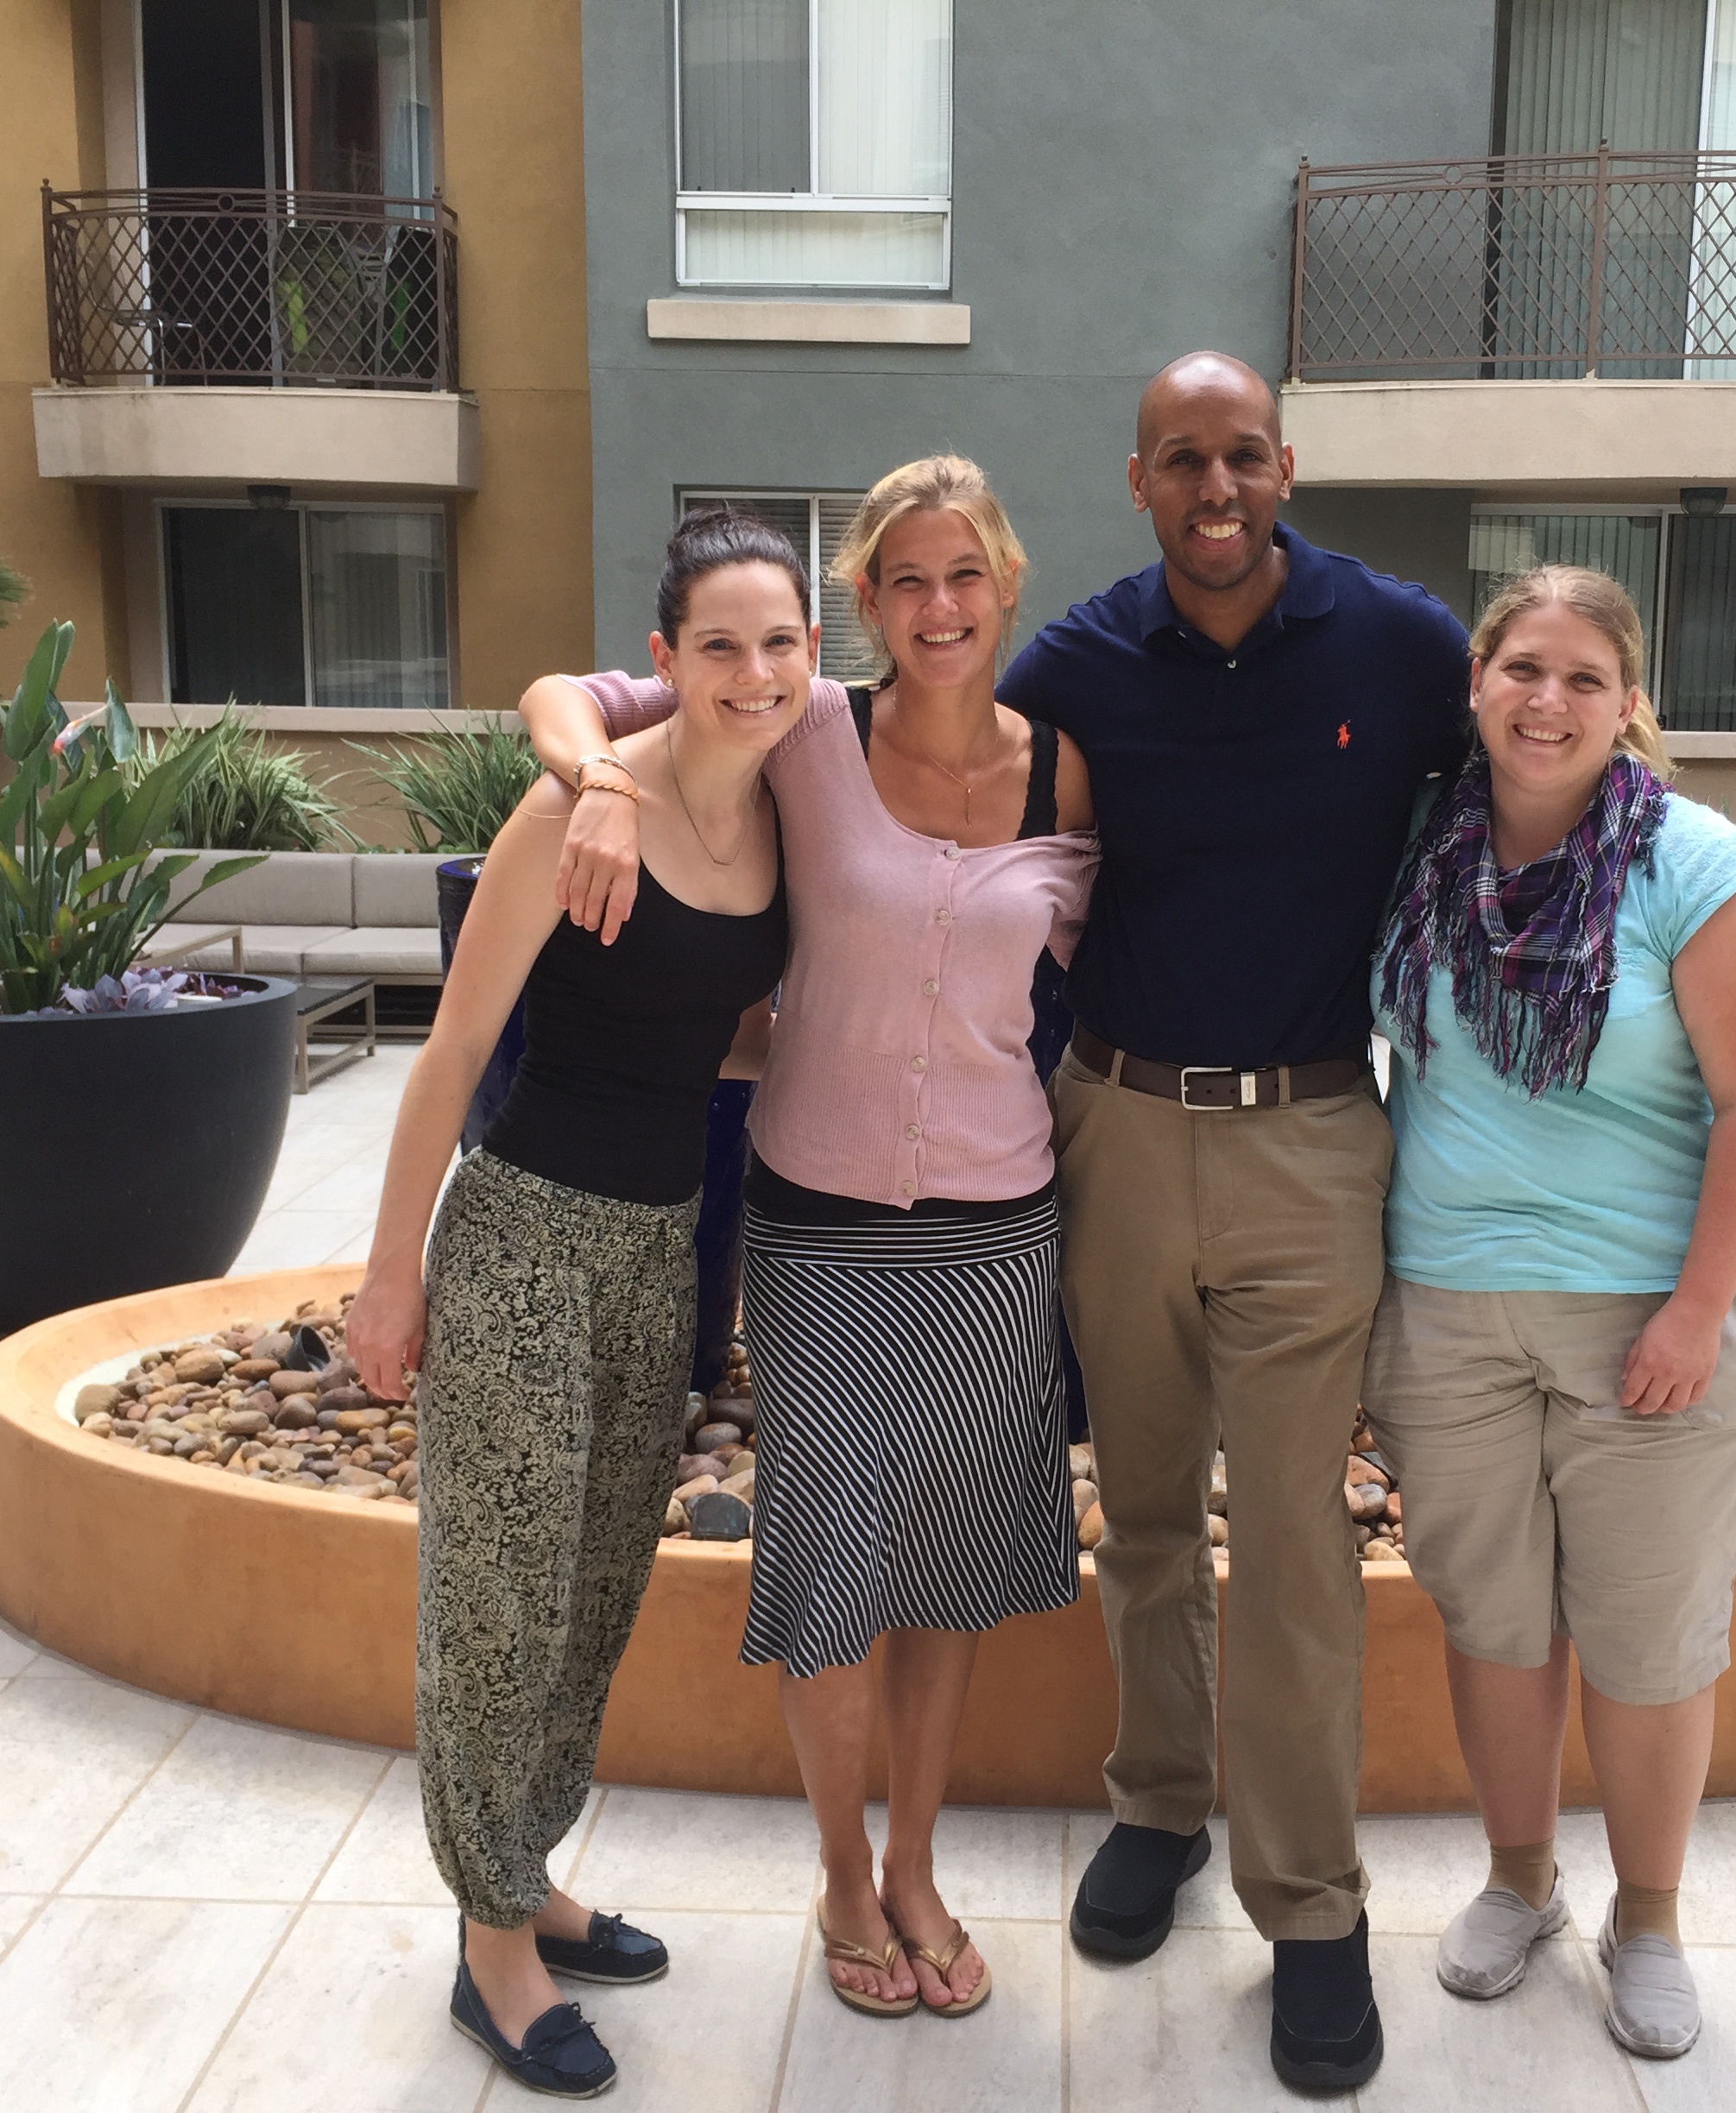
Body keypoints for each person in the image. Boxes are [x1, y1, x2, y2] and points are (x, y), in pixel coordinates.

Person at [996, 352, 1736, 2092]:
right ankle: (1159, 1807)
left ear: (1284, 466)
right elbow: (931, 774)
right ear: (1139, 478)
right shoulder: (1074, 662)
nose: (1215, 489)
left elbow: (1576, 789)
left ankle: (1311, 1908)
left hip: (1315, 1142)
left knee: (1297, 1539)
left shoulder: (1394, 643)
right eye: (1181, 461)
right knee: (1143, 1510)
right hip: (1120, 1122)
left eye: (1243, 456)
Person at [523, 456, 1098, 2022]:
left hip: (997, 1232)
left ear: (1005, 584)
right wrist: (600, 788)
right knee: (835, 1573)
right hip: (821, 1226)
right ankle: (842, 1875)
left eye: (964, 574)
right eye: (906, 579)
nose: (938, 606)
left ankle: (916, 1867)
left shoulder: (1065, 774)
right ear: (866, 603)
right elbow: (567, 696)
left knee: (951, 1571)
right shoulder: (805, 726)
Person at [347, 511, 803, 2098]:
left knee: (600, 1584)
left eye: (781, 641)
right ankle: (491, 1948)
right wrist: (391, 1275)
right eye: (721, 644)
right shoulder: (576, 807)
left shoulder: (784, 814)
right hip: (527, 1234)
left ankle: (524, 1870)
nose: (755, 671)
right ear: (665, 659)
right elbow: (453, 1055)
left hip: (663, 1243)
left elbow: (712, 1032)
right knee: (502, 1596)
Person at [1365, 563, 1736, 2062]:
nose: (1546, 702)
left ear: (1629, 706)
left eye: (1582, 679)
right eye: (1522, 670)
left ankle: (1652, 1917)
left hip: (1656, 1318)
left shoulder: (1701, 868)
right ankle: (1520, 1881)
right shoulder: (1423, 849)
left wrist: (1695, 1311)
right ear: (1476, 683)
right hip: (1449, 1306)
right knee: (1494, 1622)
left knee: (1647, 1639)